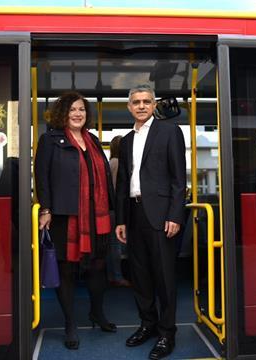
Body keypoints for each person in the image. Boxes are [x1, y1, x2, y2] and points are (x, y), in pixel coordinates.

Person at [35, 91, 116, 350]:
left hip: (97, 217)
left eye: (81, 109)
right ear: (63, 113)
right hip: (64, 214)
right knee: (67, 269)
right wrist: (45, 209)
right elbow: (42, 176)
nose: (78, 114)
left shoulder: (92, 139)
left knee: (98, 266)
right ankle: (70, 323)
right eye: (72, 110)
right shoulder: (50, 140)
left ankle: (97, 313)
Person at [115, 84, 186, 359]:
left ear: (154, 105)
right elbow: (123, 182)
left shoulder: (170, 132)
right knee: (140, 276)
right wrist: (121, 219)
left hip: (161, 215)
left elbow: (179, 179)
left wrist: (174, 215)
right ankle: (148, 324)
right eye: (136, 102)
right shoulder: (127, 140)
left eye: (146, 101)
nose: (141, 106)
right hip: (133, 215)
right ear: (129, 106)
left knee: (165, 278)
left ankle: (167, 334)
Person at [107, 135, 131, 287]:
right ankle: (116, 276)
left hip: (111, 209)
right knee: (116, 245)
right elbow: (118, 189)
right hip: (117, 209)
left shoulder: (110, 162)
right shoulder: (117, 163)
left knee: (113, 245)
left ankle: (114, 275)